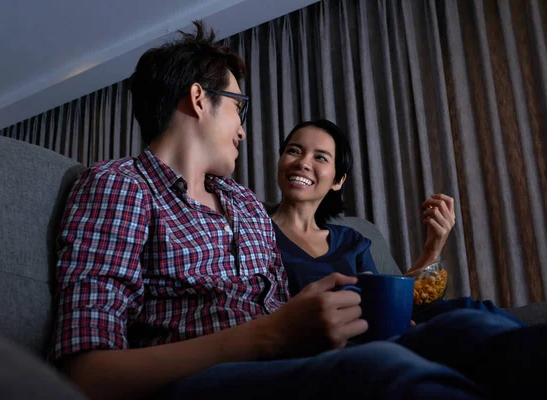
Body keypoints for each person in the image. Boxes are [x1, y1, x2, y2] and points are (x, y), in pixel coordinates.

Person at [49, 21, 542, 400]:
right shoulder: (120, 186)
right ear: (200, 100)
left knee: (469, 327)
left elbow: (287, 314)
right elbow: (86, 374)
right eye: (238, 109)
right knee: (384, 374)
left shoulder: (244, 205)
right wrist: (270, 336)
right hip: (203, 379)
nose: (243, 131)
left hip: (290, 361)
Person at [268, 119, 523, 324]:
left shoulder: (352, 240)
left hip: (386, 336)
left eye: (320, 157)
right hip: (344, 349)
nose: (302, 163)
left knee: (474, 311)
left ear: (338, 181)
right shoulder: (255, 232)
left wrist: (433, 245)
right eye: (293, 151)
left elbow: (390, 302)